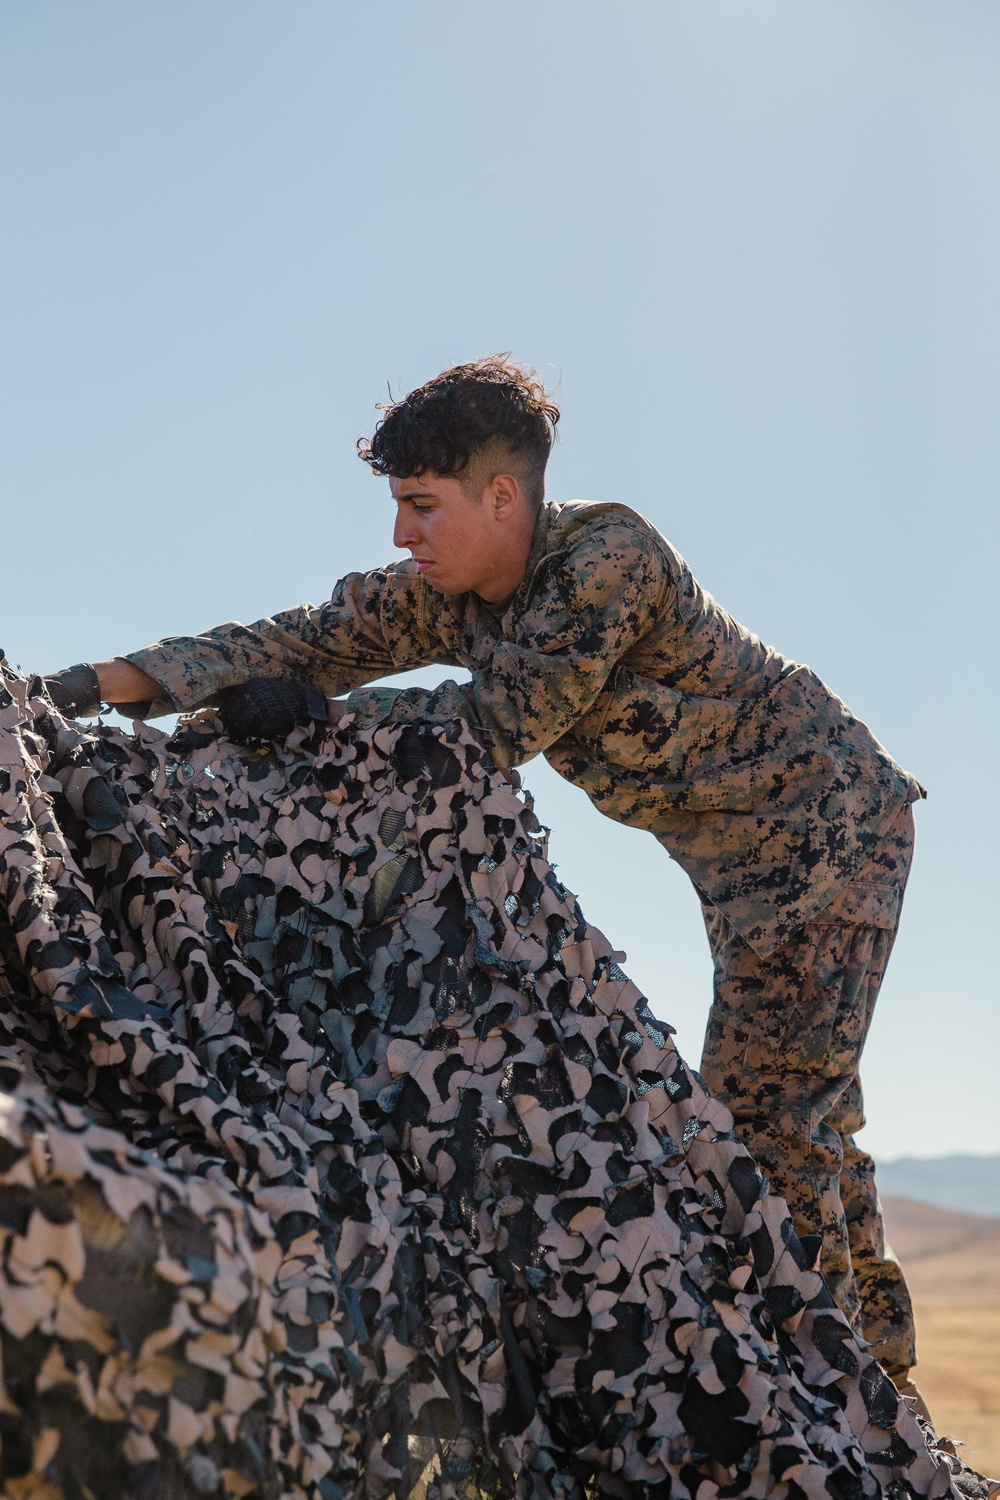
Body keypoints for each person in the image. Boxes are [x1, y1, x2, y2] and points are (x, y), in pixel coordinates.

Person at [45, 356, 925, 1401]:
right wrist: (87, 685)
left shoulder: (607, 559)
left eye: (422, 505)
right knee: (811, 1119)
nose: (400, 534)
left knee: (768, 1122)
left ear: (502, 497)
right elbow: (296, 640)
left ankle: (827, 1399)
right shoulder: (454, 593)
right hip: (744, 868)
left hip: (826, 834)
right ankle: (884, 1387)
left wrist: (317, 717)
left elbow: (499, 723)